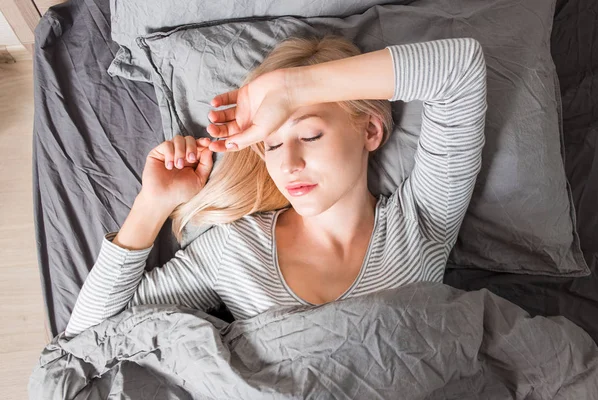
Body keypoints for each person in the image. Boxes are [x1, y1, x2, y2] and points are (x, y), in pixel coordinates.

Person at [64, 35, 487, 338]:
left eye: (310, 134)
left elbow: (460, 69)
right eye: (271, 143)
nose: (288, 164)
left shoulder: (421, 221)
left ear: (371, 130)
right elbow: (86, 341)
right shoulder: (235, 249)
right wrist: (151, 205)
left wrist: (291, 87)